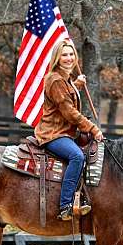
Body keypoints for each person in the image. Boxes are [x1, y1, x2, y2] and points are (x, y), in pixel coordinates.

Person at [34, 40, 104, 221]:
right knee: (77, 156)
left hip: (65, 132)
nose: (69, 58)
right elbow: (69, 112)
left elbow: (65, 95)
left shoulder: (63, 79)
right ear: (57, 58)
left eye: (71, 54)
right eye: (64, 55)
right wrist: (93, 128)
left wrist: (76, 85)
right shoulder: (55, 80)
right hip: (54, 133)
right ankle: (65, 205)